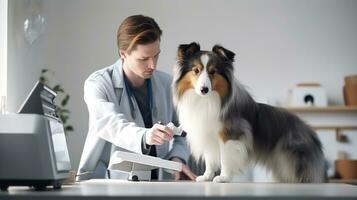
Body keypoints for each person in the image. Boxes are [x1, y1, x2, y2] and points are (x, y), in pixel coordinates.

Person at [76, 15, 196, 181]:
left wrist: (177, 159)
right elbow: (109, 123)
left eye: (156, 56)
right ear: (123, 53)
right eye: (144, 59)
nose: (152, 65)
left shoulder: (167, 84)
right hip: (108, 181)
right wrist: (145, 137)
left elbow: (184, 134)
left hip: (157, 180)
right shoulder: (98, 83)